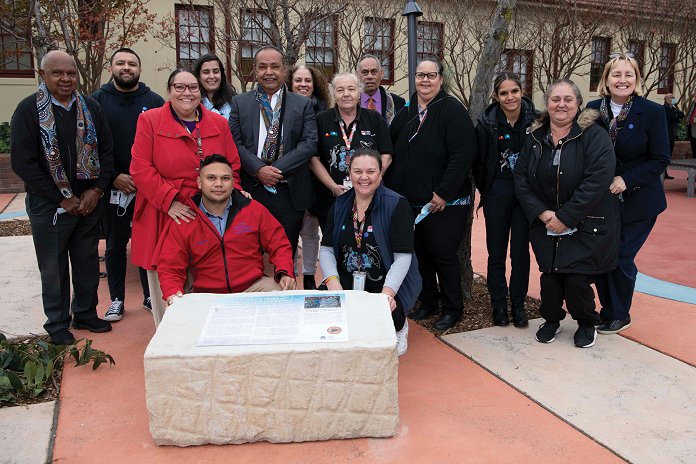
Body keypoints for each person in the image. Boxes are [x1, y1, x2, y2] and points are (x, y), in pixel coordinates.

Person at [10, 50, 114, 344]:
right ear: (43, 76)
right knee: (53, 267)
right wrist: (61, 198)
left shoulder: (91, 107)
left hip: (89, 202)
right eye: (57, 73)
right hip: (50, 205)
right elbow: (23, 162)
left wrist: (97, 190)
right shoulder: (28, 111)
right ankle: (57, 323)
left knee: (86, 262)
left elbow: (107, 152)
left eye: (70, 73)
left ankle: (85, 312)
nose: (65, 79)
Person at [130, 69, 242, 327]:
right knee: (166, 286)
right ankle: (168, 336)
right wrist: (169, 200)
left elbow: (232, 167)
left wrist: (221, 197)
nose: (186, 93)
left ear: (200, 91)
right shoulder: (150, 120)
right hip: (163, 213)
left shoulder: (218, 123)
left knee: (208, 281)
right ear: (169, 91)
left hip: (208, 213)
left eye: (192, 87)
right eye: (179, 87)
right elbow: (140, 168)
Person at [515, 79, 620, 348]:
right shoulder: (535, 138)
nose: (561, 104)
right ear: (547, 104)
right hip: (545, 222)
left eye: (568, 99)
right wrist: (542, 213)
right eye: (555, 99)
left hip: (584, 223)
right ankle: (551, 319)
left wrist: (566, 217)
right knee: (549, 278)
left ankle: (586, 322)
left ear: (578, 104)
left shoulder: (594, 136)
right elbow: (521, 179)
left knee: (576, 279)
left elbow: (597, 181)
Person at [386, 57, 477, 331]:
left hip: (443, 203)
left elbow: (463, 155)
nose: (425, 80)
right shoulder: (406, 111)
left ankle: (453, 308)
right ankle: (428, 301)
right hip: (410, 202)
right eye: (420, 75)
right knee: (421, 254)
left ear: (440, 79)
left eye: (431, 75)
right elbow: (391, 147)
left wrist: (443, 192)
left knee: (443, 254)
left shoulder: (452, 110)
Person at [586, 53, 670, 335]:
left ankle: (619, 313)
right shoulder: (592, 110)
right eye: (616, 75)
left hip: (640, 201)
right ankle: (608, 310)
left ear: (637, 79)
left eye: (629, 74)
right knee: (602, 255)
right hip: (601, 201)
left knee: (621, 255)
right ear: (606, 80)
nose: (622, 80)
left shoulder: (653, 112)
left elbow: (660, 159)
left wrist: (627, 179)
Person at [319, 148, 421, 356]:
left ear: (380, 173)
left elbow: (403, 258)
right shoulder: (340, 204)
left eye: (370, 171)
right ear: (350, 172)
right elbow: (327, 248)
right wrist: (333, 282)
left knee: (385, 314)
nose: (364, 177)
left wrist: (388, 294)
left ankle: (400, 326)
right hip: (347, 279)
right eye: (357, 171)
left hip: (384, 283)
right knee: (318, 311)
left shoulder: (396, 204)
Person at [158, 155, 295, 306]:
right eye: (211, 178)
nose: (219, 184)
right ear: (199, 182)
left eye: (225, 178)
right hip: (206, 294)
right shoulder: (185, 219)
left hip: (253, 287)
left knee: (286, 297)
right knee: (176, 309)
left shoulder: (253, 210)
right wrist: (172, 292)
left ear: (233, 182)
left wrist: (285, 272)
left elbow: (279, 243)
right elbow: (170, 266)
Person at [91, 48, 165, 321]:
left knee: (148, 244)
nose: (126, 67)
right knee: (115, 245)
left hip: (147, 187)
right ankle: (117, 300)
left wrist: (146, 178)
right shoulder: (96, 102)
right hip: (113, 187)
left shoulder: (154, 101)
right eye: (120, 63)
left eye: (132, 63)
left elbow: (161, 144)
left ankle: (149, 296)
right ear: (111, 67)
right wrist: (113, 177)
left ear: (139, 69)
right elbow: (92, 147)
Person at [229, 45, 318, 257]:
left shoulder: (302, 104)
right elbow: (234, 142)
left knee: (285, 252)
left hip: (288, 189)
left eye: (275, 66)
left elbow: (309, 143)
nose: (269, 72)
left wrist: (275, 170)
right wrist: (258, 169)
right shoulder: (240, 103)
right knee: (249, 252)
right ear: (255, 71)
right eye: (263, 67)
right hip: (251, 187)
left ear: (284, 70)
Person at [474, 73, 536, 328]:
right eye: (504, 93)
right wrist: (487, 189)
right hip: (497, 192)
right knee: (496, 253)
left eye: (514, 91)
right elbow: (478, 163)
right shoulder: (486, 124)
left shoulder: (536, 121)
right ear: (496, 96)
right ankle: (499, 305)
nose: (510, 97)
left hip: (526, 195)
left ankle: (518, 305)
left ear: (522, 92)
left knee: (520, 253)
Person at [312, 72, 393, 232]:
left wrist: (372, 180)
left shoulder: (374, 118)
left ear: (359, 92)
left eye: (351, 89)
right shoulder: (321, 120)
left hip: (370, 198)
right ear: (333, 94)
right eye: (340, 90)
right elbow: (314, 159)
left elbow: (387, 154)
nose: (346, 94)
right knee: (333, 245)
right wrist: (333, 186)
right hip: (331, 199)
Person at [286, 65, 329, 289]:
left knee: (310, 232)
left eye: (308, 80)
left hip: (316, 181)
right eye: (298, 80)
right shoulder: (281, 110)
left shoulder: (324, 112)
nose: (303, 84)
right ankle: (288, 273)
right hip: (289, 179)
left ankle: (310, 275)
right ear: (290, 83)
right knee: (289, 232)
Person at [356, 55, 405, 125]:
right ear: (357, 75)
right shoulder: (350, 102)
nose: (369, 76)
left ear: (381, 74)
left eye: (374, 72)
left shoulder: (397, 103)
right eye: (365, 72)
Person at [193, 53, 237, 120]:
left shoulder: (235, 102)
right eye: (206, 72)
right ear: (198, 77)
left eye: (216, 71)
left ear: (221, 74)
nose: (212, 76)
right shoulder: (193, 104)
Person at [663, 93, 684, 179]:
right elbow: (673, 118)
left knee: (669, 154)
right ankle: (663, 173)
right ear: (667, 99)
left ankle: (665, 172)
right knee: (665, 154)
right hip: (667, 134)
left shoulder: (672, 108)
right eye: (672, 98)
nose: (674, 99)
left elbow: (681, 114)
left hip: (672, 134)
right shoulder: (664, 108)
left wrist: (676, 115)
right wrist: (676, 116)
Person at [685, 89, 696, 159]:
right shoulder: (694, 103)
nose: (694, 96)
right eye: (694, 94)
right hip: (691, 126)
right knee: (693, 144)